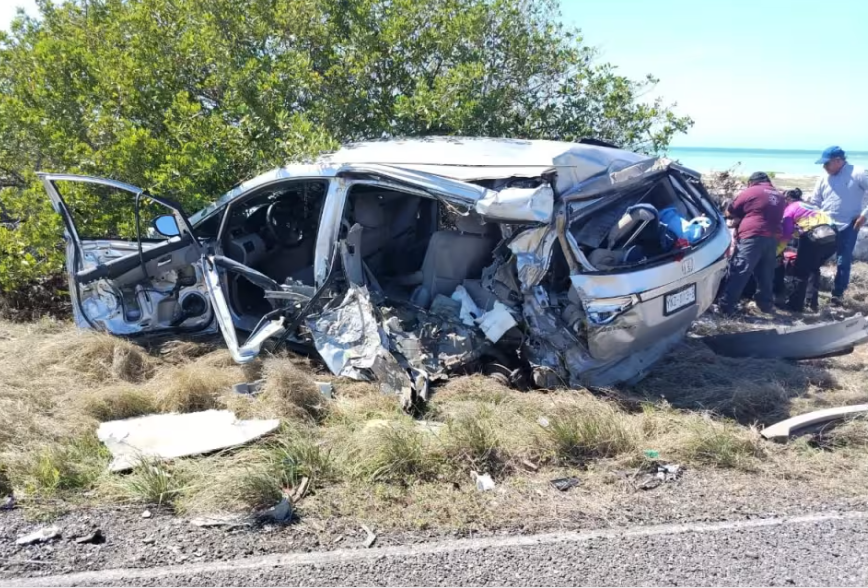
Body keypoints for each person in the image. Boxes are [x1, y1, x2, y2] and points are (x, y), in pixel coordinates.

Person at [716, 171, 786, 315]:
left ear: (751, 182)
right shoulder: (779, 196)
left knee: (740, 270)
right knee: (766, 274)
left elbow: (730, 211)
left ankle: (726, 306)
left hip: (752, 236)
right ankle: (765, 306)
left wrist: (738, 217)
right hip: (771, 238)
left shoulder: (752, 191)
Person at [808, 146, 868, 306]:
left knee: (843, 260)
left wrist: (864, 215)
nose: (824, 167)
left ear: (838, 161)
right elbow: (815, 202)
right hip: (825, 226)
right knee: (814, 259)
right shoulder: (823, 178)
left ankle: (837, 295)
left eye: (827, 163)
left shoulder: (858, 172)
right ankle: (810, 295)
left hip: (849, 225)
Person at [778, 188, 837, 312]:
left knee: (800, 271)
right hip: (832, 238)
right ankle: (811, 303)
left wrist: (778, 250)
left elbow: (787, 234)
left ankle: (795, 306)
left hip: (814, 237)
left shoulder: (790, 209)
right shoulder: (810, 206)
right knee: (813, 269)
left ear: (788, 199)